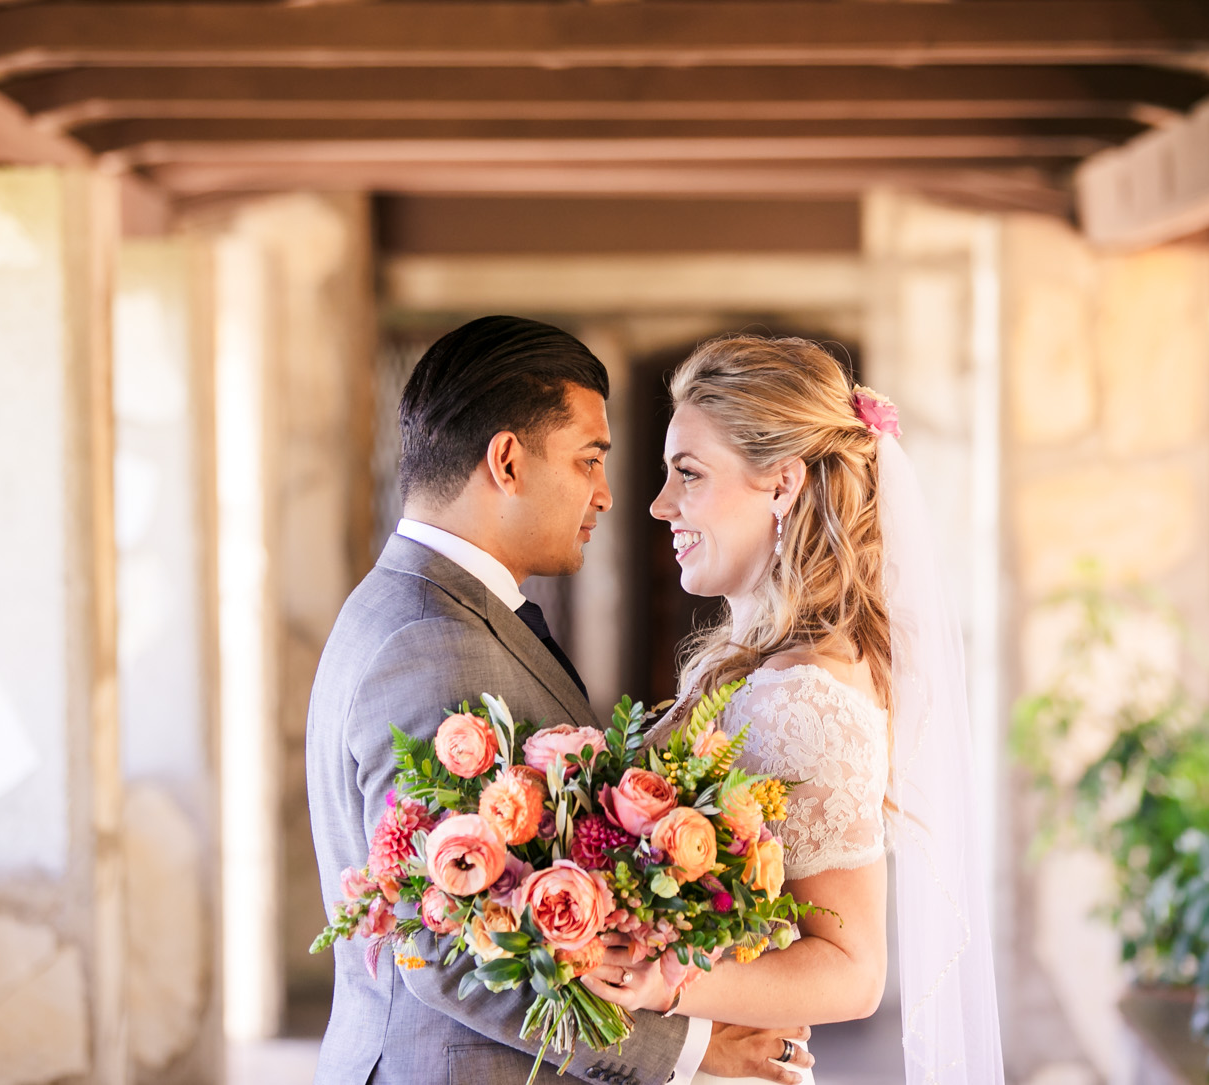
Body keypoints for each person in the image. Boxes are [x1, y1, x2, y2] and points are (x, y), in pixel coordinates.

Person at [305, 316, 814, 1085]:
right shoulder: (430, 640)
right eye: (589, 460)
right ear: (507, 460)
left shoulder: (424, 608)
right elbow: (446, 952)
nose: (610, 495)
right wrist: (691, 1050)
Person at [582, 335, 1005, 1085]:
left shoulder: (810, 700)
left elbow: (853, 969)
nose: (659, 504)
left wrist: (667, 978)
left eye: (689, 474)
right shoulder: (762, 668)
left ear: (782, 485)